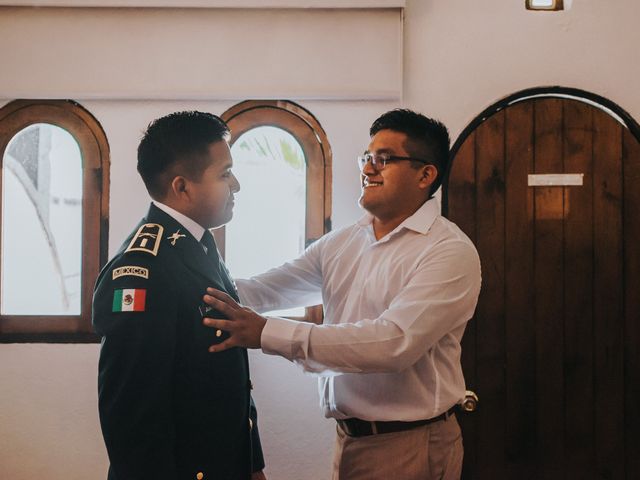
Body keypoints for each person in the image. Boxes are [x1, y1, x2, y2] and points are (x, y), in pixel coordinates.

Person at [201, 109, 481, 480]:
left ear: (425, 174)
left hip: (411, 446)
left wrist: (265, 332)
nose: (367, 169)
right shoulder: (344, 242)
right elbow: (267, 288)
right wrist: (192, 282)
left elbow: (392, 343)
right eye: (366, 158)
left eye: (384, 159)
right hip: (348, 440)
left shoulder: (448, 251)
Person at [92, 111, 266, 480]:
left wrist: (251, 464)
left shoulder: (198, 245)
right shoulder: (142, 270)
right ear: (182, 187)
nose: (236, 184)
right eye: (224, 174)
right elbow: (133, 417)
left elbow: (230, 379)